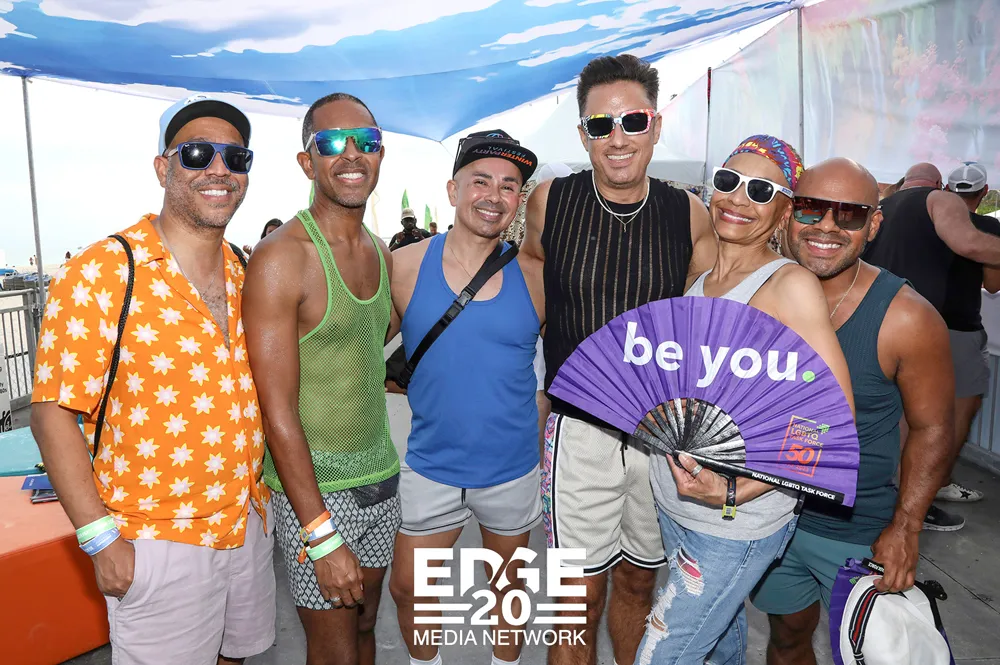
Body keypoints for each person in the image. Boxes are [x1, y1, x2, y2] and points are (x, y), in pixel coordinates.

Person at [30, 94, 275, 664]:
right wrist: (100, 540)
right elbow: (51, 413)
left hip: (246, 522)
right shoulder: (102, 271)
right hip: (157, 539)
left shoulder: (246, 271)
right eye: (198, 154)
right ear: (164, 168)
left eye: (236, 158)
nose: (219, 169)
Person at [521, 54, 718, 665]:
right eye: (600, 125)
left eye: (632, 121)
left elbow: (709, 316)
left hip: (662, 434)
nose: (618, 138)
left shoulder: (689, 214)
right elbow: (530, 285)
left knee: (639, 582)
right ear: (583, 135)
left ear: (655, 125)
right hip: (579, 431)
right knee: (576, 596)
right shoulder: (550, 202)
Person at [632, 136, 854, 665]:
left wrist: (739, 489)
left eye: (760, 190)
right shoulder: (700, 282)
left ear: (784, 212)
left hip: (735, 523)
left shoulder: (789, 286)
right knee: (716, 649)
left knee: (664, 654)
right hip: (677, 506)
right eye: (729, 181)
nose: (737, 198)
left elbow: (831, 415)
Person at [752, 158, 956, 665]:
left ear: (874, 224)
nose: (826, 226)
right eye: (812, 209)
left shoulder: (906, 316)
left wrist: (906, 527)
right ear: (788, 214)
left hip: (857, 527)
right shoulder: (754, 291)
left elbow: (933, 427)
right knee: (787, 640)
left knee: (875, 651)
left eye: (849, 214)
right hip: (768, 515)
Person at [243, 93, 400, 665]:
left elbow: (364, 355)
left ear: (380, 155)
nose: (351, 154)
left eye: (366, 141)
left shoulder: (381, 252)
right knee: (333, 651)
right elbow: (275, 409)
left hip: (381, 476)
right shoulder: (282, 257)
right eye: (332, 142)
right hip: (317, 494)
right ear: (307, 162)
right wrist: (319, 532)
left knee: (365, 629)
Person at [387, 129, 544, 665]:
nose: (494, 195)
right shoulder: (404, 266)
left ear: (518, 200)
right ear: (453, 190)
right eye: (481, 181)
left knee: (507, 591)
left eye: (509, 185)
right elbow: (359, 347)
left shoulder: (535, 276)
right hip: (432, 464)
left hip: (512, 468)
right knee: (409, 589)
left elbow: (565, 360)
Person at [862, 161, 1000, 530]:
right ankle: (913, 504)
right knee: (931, 422)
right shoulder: (939, 202)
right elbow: (975, 254)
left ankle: (886, 501)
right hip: (929, 328)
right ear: (939, 185)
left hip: (874, 323)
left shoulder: (880, 207)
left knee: (889, 417)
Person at [937, 162, 1000, 503]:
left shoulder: (930, 222)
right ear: (984, 192)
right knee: (961, 410)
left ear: (947, 189)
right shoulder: (987, 227)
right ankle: (938, 483)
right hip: (960, 327)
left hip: (919, 323)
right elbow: (993, 284)